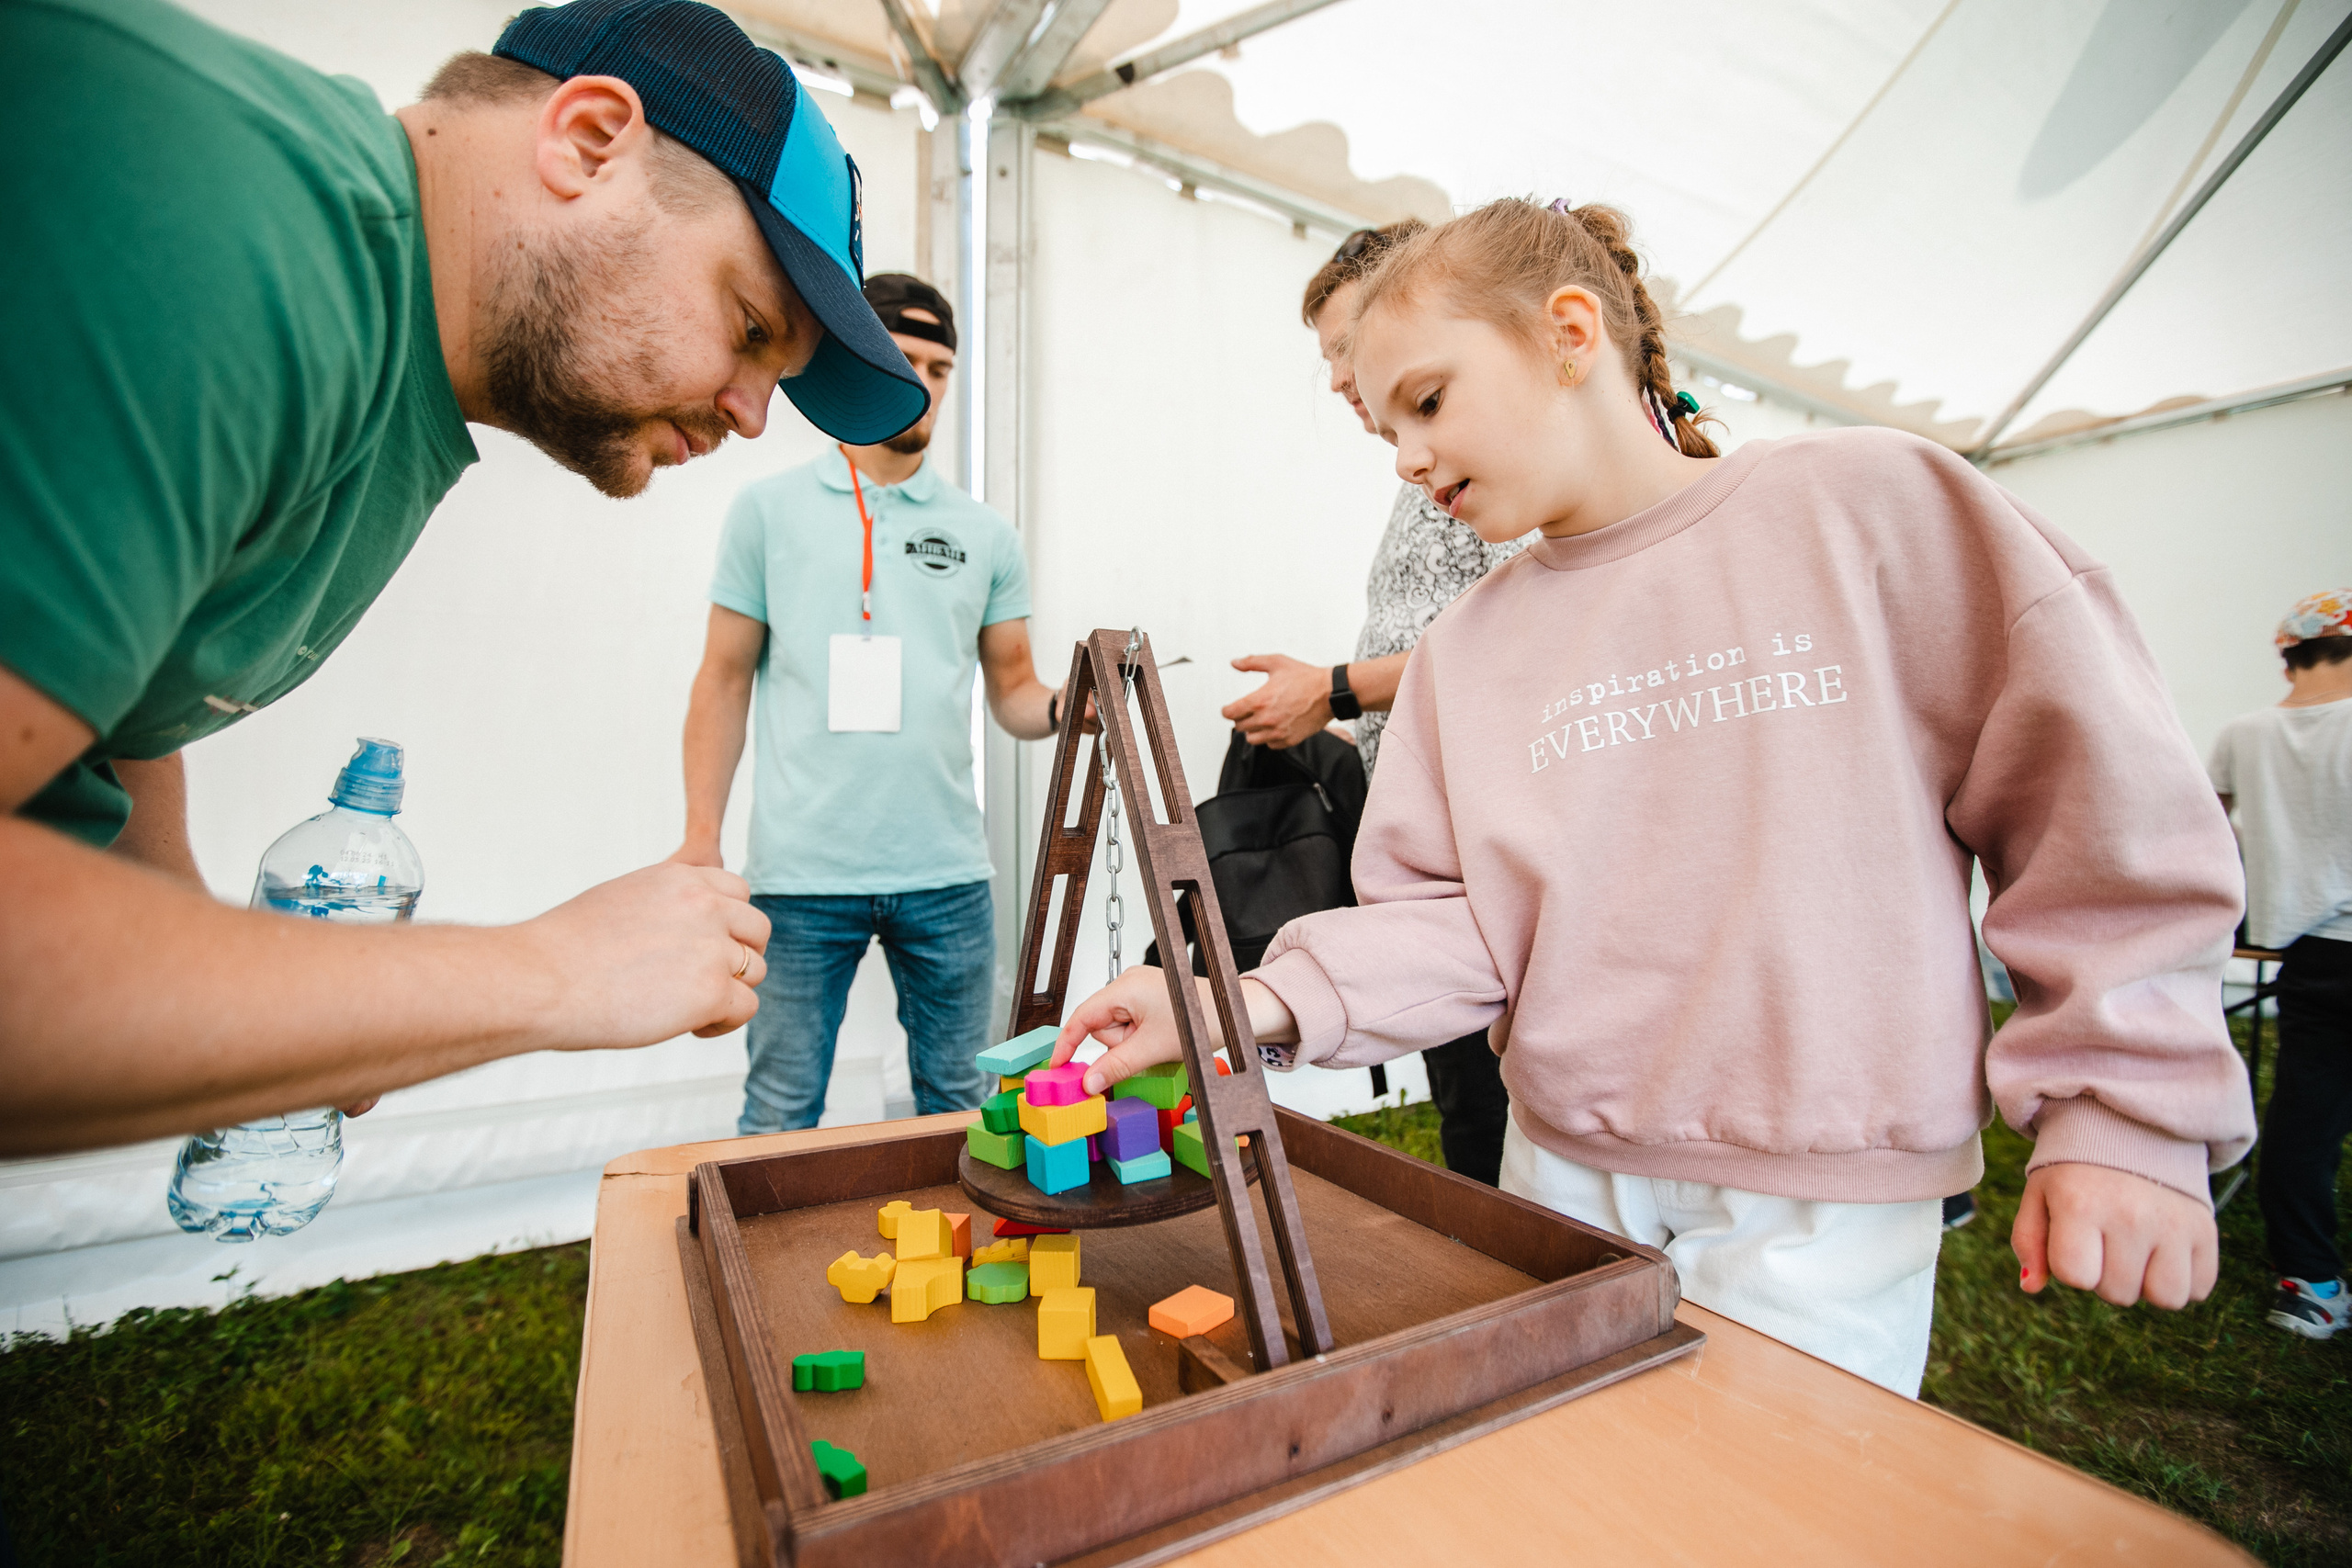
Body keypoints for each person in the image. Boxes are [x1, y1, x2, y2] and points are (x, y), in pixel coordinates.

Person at [1047, 197, 2256, 1397]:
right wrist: (1237, 999)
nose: (1408, 456)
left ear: (1569, 332)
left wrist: (2125, 1102)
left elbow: (2094, 798)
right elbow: (1455, 923)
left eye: (1426, 401)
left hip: (1823, 1190)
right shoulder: (1463, 654)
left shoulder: (1873, 504)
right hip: (1563, 1168)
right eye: (1385, 430)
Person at [0, 0, 933, 1156]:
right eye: (749, 328)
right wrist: (552, 973)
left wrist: (244, 987)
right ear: (588, 141)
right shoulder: (236, 238)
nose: (750, 417)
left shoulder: (392, 368)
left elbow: (126, 704)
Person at [672, 274, 1069, 1133]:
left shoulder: (984, 534)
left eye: (941, 368)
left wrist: (1079, 705)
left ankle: (969, 1268)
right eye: (906, 359)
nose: (924, 382)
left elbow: (1015, 692)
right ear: (862, 359)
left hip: (948, 874)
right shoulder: (766, 511)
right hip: (800, 876)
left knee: (966, 1116)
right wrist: (701, 836)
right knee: (779, 1115)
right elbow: (724, 676)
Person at [1219, 220, 1521, 1187]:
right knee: (1463, 1091)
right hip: (1432, 842)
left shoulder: (1492, 468)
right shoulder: (1419, 472)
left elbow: (1513, 631)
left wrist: (1336, 687)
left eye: (1347, 349)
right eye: (1333, 364)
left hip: (1486, 847)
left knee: (1494, 1103)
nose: (1343, 382)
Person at [2209, 590, 2352, 1338]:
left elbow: (2201, 830)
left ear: (2289, 653)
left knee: (2305, 1118)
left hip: (2302, 949)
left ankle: (2310, 1282)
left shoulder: (2245, 732)